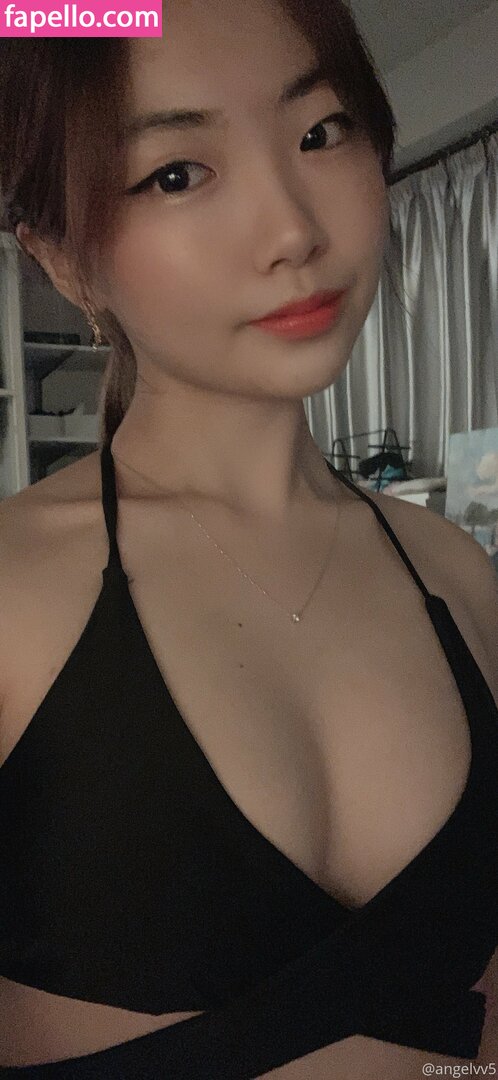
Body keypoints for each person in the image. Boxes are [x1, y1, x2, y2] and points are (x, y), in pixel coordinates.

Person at [0, 3, 497, 1077]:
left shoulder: (457, 576)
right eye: (176, 174)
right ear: (62, 258)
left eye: (320, 132)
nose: (292, 231)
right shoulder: (11, 595)